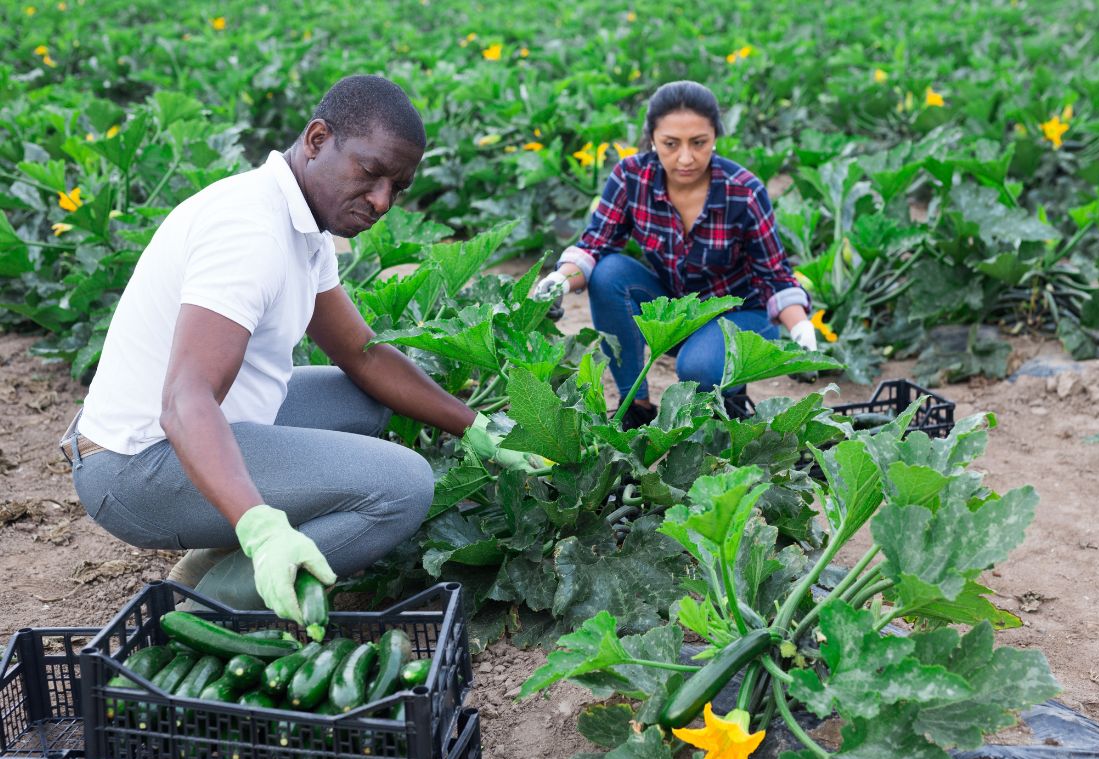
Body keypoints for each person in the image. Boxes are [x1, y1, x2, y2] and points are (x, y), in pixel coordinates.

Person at [59, 75, 526, 624]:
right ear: (317, 139)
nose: (381, 201)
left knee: (362, 400)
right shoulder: (249, 231)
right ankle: (200, 613)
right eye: (371, 172)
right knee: (403, 486)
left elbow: (364, 355)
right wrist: (260, 526)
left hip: (190, 430)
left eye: (397, 188)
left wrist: (475, 426)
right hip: (135, 467)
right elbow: (185, 400)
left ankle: (211, 560)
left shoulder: (301, 223)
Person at [534, 80, 817, 428]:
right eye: (671, 144)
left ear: (715, 136)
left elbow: (775, 277)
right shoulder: (631, 177)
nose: (685, 158)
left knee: (695, 368)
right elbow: (594, 245)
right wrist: (559, 281)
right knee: (608, 272)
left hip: (744, 316)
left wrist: (801, 327)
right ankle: (634, 404)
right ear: (652, 138)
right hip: (678, 309)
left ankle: (731, 391)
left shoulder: (743, 191)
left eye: (699, 143)